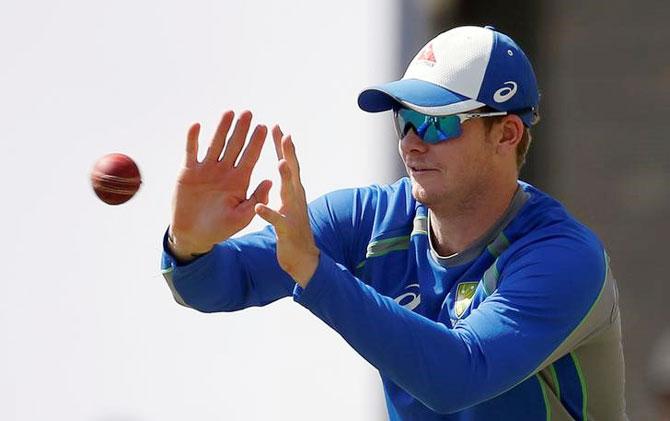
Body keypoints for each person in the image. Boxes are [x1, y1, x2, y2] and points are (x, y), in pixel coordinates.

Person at [161, 26, 626, 420]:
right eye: (405, 120)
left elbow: (458, 377)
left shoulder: (564, 258)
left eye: (437, 123)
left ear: (506, 133)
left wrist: (316, 272)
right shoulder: (368, 219)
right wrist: (189, 244)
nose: (411, 144)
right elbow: (215, 285)